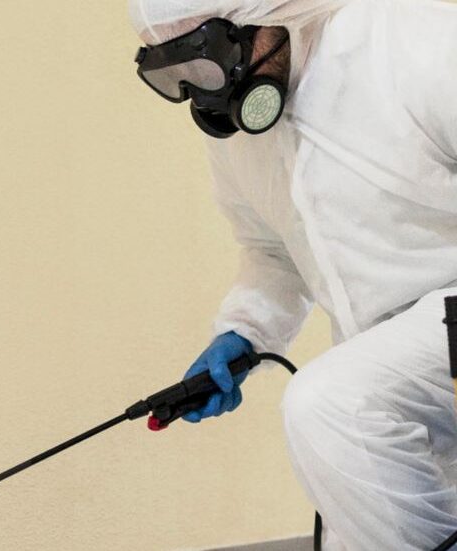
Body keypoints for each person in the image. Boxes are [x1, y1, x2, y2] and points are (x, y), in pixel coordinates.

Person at [129, 0, 457, 549]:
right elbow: (272, 251)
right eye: (177, 73)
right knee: (352, 501)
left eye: (206, 61)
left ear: (265, 15)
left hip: (446, 319)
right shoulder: (240, 133)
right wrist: (245, 332)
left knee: (331, 404)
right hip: (383, 355)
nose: (205, 91)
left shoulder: (414, 43)